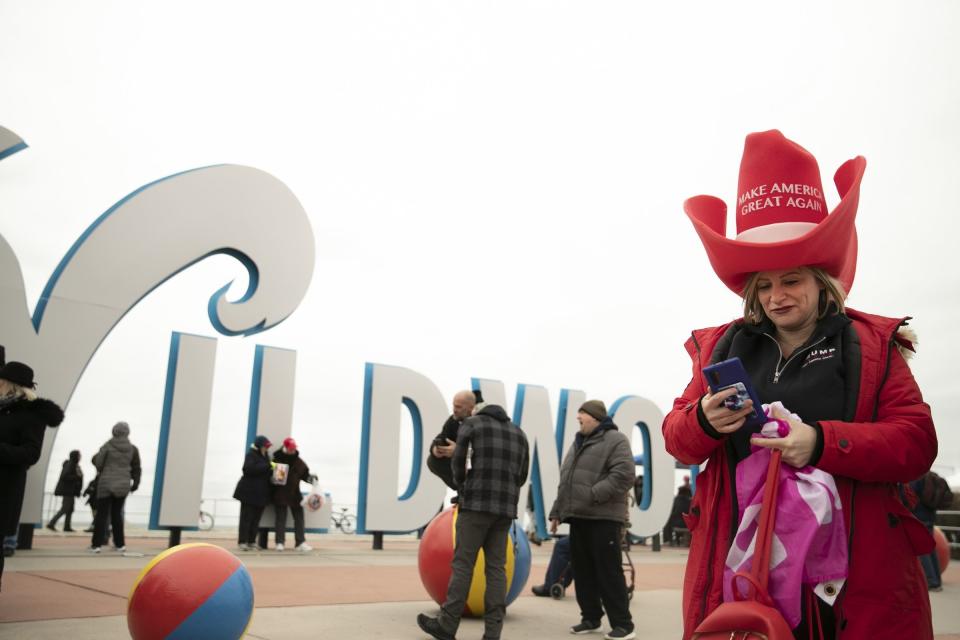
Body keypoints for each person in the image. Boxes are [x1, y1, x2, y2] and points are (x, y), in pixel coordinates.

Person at [663, 130, 937, 639]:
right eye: (763, 285)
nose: (776, 297)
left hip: (853, 582)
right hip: (743, 574)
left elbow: (917, 443)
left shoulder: (874, 345)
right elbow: (676, 435)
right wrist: (703, 419)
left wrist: (820, 442)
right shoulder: (719, 347)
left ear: (821, 281)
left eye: (791, 280)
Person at [416, 402, 529, 640]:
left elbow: (458, 463)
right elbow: (522, 475)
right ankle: (492, 633)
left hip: (475, 506)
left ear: (478, 411)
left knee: (463, 565)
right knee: (497, 569)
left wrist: (462, 486)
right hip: (504, 511)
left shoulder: (471, 425)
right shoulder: (519, 433)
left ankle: (447, 626)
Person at [548, 400, 636, 640]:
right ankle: (590, 618)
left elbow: (625, 474)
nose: (578, 419)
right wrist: (557, 511)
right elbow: (567, 481)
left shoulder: (615, 440)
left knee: (608, 572)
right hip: (578, 517)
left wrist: (593, 494)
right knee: (582, 570)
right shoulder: (579, 443)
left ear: (595, 417)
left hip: (603, 517)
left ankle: (623, 625)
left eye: (582, 415)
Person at [0, 361, 65, 589]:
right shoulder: (3, 409)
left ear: (9, 384)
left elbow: (30, 453)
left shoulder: (31, 415)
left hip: (5, 490)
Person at [90, 422, 141, 553]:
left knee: (101, 514)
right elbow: (136, 467)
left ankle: (97, 545)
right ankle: (120, 544)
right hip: (123, 484)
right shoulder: (133, 449)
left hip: (106, 483)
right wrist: (135, 483)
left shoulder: (107, 446)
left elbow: (99, 463)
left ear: (113, 431)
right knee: (117, 514)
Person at [426, 389, 481, 493]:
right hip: (466, 468)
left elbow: (484, 451)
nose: (454, 410)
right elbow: (442, 437)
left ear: (471, 408)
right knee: (432, 461)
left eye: (459, 407)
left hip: (483, 469)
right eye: (454, 405)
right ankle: (463, 490)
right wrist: (436, 450)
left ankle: (470, 491)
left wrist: (459, 450)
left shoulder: (482, 422)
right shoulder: (454, 420)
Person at [271, 436, 315, 552]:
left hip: (295, 494)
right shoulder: (276, 458)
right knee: (281, 518)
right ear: (285, 447)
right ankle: (279, 543)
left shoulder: (299, 461)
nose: (293, 450)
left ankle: (300, 542)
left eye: (294, 448)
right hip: (280, 493)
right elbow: (271, 476)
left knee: (299, 518)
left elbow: (306, 475)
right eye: (291, 448)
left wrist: (312, 479)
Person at [909, 472, 948, 592]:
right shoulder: (932, 476)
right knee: (931, 549)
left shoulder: (916, 476)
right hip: (930, 517)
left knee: (922, 550)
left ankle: (932, 581)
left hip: (919, 516)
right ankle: (937, 580)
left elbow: (910, 496)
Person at [234, 435, 273, 551]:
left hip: (261, 494)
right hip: (248, 493)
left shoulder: (266, 457)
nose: (267, 449)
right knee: (246, 518)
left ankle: (251, 541)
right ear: (259, 446)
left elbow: (266, 471)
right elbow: (248, 469)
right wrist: (267, 466)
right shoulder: (251, 455)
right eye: (265, 446)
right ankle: (242, 542)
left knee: (256, 519)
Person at [47, 450, 83, 532]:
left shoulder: (74, 465)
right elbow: (64, 476)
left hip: (71, 491)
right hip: (68, 491)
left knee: (70, 509)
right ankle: (51, 523)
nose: (80, 457)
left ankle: (67, 526)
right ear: (75, 456)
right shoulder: (70, 464)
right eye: (79, 455)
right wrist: (76, 477)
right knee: (65, 508)